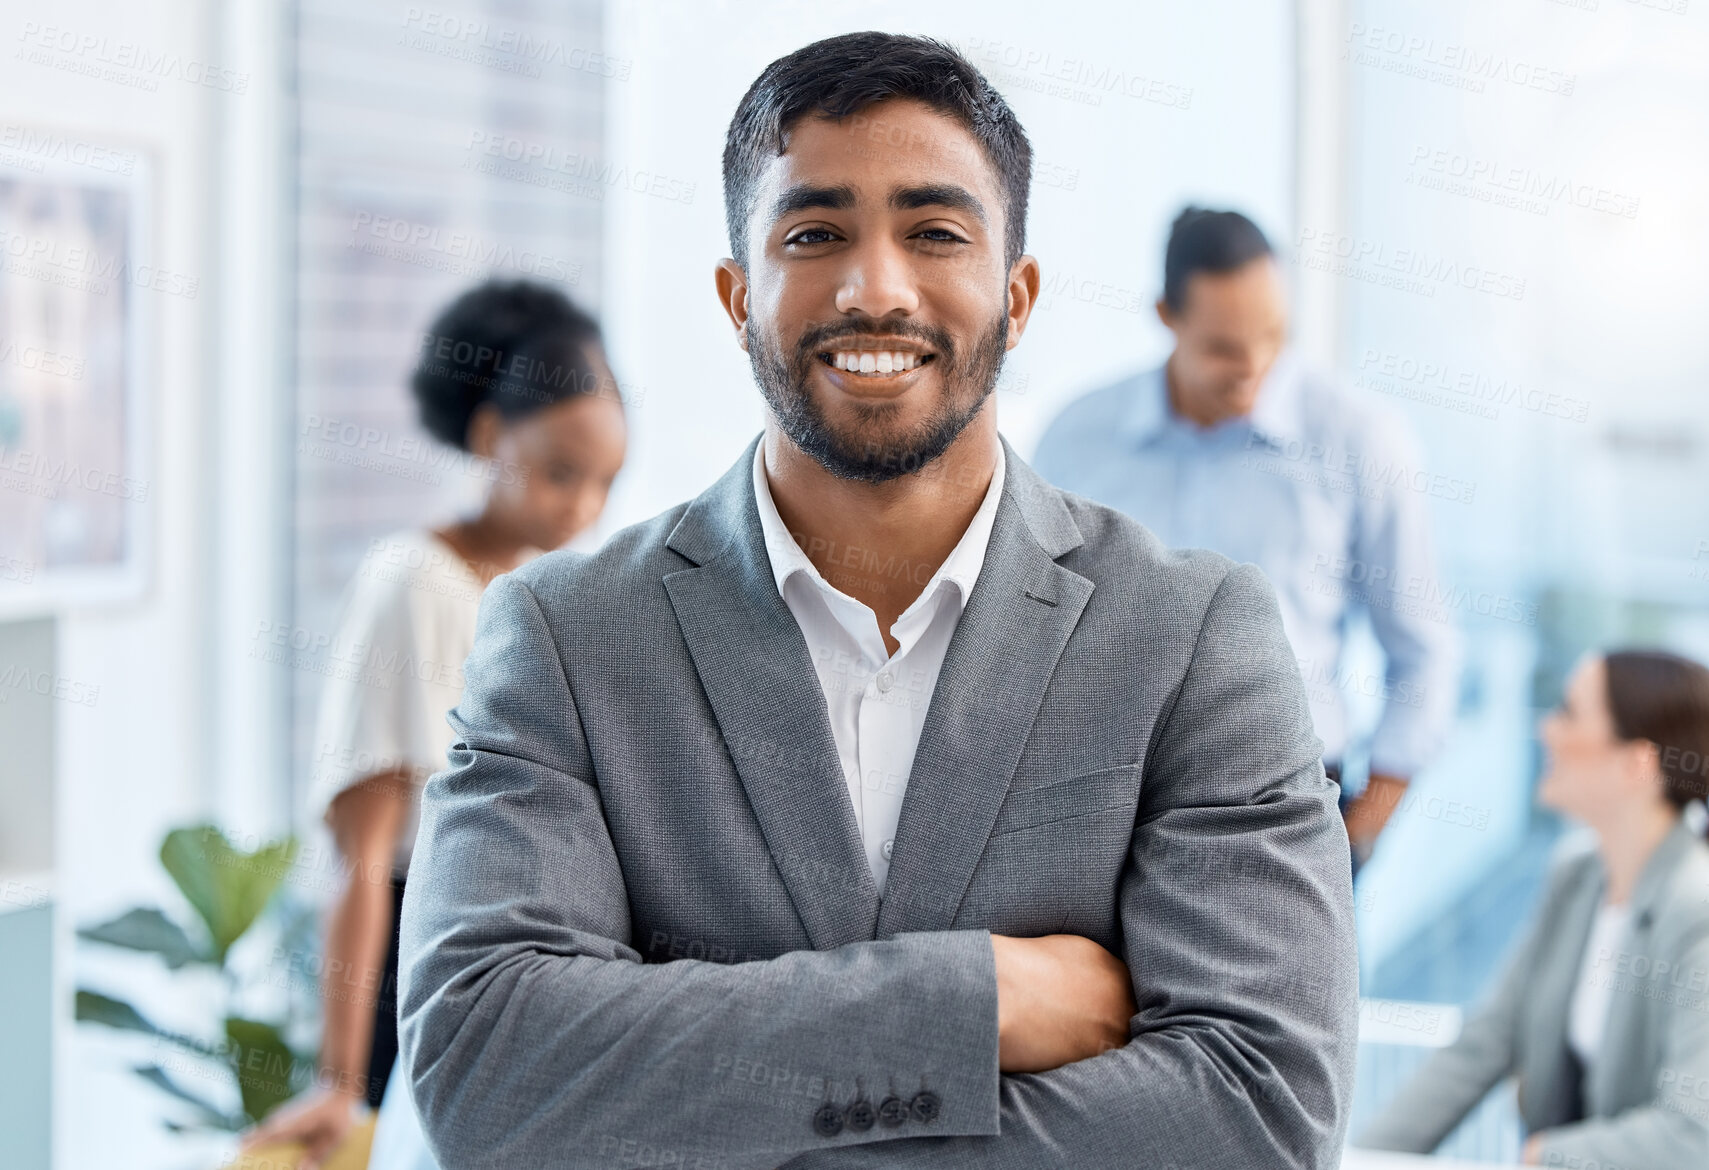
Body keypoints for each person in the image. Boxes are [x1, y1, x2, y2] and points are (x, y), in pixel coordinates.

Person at [398, 32, 1358, 1169]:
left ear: (1017, 292)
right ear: (735, 294)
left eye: (934, 232)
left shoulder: (1194, 638)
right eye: (814, 235)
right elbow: (488, 1073)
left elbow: (1257, 1111)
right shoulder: (564, 636)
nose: (874, 289)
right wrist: (979, 999)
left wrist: (705, 1112)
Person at [237, 279, 627, 1169]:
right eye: (561, 473)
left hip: (507, 965)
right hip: (414, 955)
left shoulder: (539, 598)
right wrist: (341, 1080)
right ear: (491, 438)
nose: (585, 510)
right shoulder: (415, 582)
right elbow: (365, 855)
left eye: (605, 482)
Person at [1032, 208, 1460, 872]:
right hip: (1103, 799)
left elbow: (1422, 651)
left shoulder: (1358, 440)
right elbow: (1028, 625)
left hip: (1287, 803)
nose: (1254, 366)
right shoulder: (1076, 436)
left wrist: (1357, 836)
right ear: (1165, 316)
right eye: (1224, 348)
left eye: (1272, 336)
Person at [1356, 649, 1709, 1168]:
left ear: (1637, 763)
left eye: (1569, 712)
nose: (1547, 729)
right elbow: (1483, 1045)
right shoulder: (1578, 879)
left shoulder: (1695, 906)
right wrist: (1356, 1158)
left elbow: (1693, 1135)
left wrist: (1546, 1157)